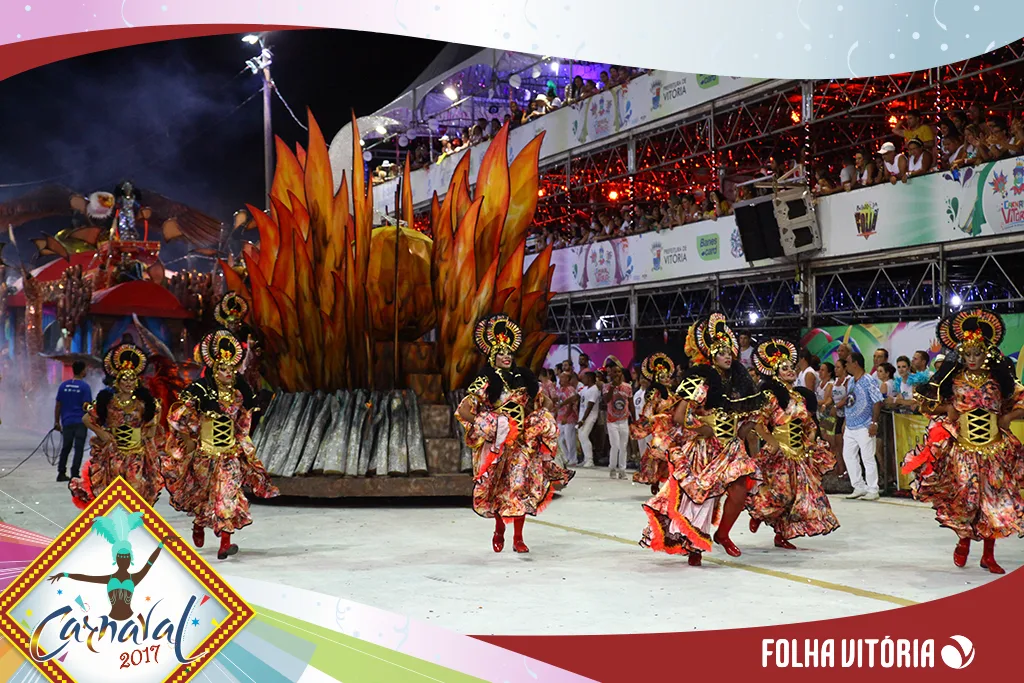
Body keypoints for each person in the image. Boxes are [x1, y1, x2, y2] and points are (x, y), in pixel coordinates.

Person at [902, 309, 1024, 573]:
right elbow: (926, 405)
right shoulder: (953, 380)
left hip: (994, 449)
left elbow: (1020, 403)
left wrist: (1009, 416)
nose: (971, 359)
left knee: (993, 502)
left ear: (987, 353)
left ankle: (988, 555)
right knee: (967, 501)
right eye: (967, 353)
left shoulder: (999, 381)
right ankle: (963, 541)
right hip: (963, 450)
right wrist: (946, 410)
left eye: (977, 353)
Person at [639, 314, 764, 565]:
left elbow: (742, 420)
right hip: (706, 449)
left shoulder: (739, 383)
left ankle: (723, 534)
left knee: (739, 492)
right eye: (721, 353)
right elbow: (679, 415)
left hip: (730, 447)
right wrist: (700, 429)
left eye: (729, 352)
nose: (728, 357)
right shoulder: (701, 381)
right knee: (699, 499)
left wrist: (749, 428)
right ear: (710, 357)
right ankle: (693, 546)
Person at [163, 330, 279, 560]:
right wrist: (187, 436)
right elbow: (178, 418)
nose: (227, 373)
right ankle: (199, 524)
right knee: (204, 496)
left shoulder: (239, 394)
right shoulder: (201, 391)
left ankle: (225, 542)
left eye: (231, 369)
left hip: (228, 455)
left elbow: (243, 420)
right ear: (214, 370)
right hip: (205, 455)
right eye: (222, 369)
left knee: (227, 495)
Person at [455, 315, 565, 554]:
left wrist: (542, 411)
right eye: (501, 353)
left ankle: (518, 538)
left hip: (523, 443)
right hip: (500, 444)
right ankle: (499, 530)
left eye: (509, 353)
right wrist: (489, 424)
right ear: (492, 357)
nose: (506, 356)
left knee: (519, 487)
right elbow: (464, 410)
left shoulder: (524, 378)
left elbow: (543, 402)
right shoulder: (485, 381)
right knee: (498, 488)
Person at [747, 339, 840, 549]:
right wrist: (773, 443)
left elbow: (809, 423)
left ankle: (782, 535)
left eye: (791, 367)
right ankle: (759, 513)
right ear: (775, 373)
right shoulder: (771, 397)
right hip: (779, 455)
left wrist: (810, 440)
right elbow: (759, 424)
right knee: (782, 494)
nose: (790, 370)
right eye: (784, 368)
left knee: (798, 498)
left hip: (799, 455)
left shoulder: (799, 396)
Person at [69, 344, 163, 508]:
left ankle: (132, 528)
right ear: (117, 381)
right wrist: (102, 433)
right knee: (113, 494)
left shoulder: (143, 403)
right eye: (124, 378)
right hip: (113, 453)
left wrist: (148, 433)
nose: (128, 382)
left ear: (137, 381)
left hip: (136, 454)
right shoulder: (107, 401)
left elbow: (154, 418)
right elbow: (86, 418)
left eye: (132, 378)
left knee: (135, 492)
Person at [47, 508, 166, 621]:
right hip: (111, 617)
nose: (124, 560)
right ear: (116, 559)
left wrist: (161, 544)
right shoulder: (114, 579)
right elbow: (86, 578)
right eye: (121, 558)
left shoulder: (134, 578)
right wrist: (65, 574)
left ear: (131, 560)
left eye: (126, 558)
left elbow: (150, 562)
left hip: (129, 617)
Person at [632, 353, 678, 494]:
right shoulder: (654, 394)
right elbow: (649, 413)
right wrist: (660, 417)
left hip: (673, 430)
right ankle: (655, 480)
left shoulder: (674, 394)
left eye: (667, 376)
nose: (667, 379)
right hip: (660, 430)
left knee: (673, 458)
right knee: (658, 457)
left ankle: (671, 482)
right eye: (663, 377)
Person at [841, 352, 884, 500]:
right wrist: (846, 422)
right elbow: (850, 401)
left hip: (865, 425)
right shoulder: (851, 381)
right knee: (848, 456)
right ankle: (859, 486)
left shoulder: (869, 380)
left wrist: (874, 422)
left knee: (867, 457)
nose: (845, 365)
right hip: (851, 425)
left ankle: (873, 489)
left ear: (856, 364)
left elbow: (877, 401)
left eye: (847, 362)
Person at [55, 360, 93, 482]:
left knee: (66, 447)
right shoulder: (85, 387)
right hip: (81, 422)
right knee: (79, 447)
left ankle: (61, 473)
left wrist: (56, 421)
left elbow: (58, 405)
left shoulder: (63, 386)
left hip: (66, 421)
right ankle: (74, 474)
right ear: (82, 371)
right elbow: (87, 406)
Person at [603, 363, 633, 479]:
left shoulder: (628, 387)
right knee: (615, 445)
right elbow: (606, 400)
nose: (616, 374)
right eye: (614, 372)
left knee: (623, 446)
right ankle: (612, 468)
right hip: (612, 420)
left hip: (624, 420)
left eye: (619, 372)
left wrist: (634, 418)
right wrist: (612, 387)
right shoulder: (606, 386)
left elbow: (630, 403)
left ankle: (622, 470)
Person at [554, 370, 580, 466]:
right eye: (560, 377)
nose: (560, 379)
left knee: (570, 440)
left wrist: (566, 416)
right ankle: (566, 458)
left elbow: (571, 404)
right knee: (560, 439)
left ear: (568, 379)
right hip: (560, 417)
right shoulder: (560, 389)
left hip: (569, 418)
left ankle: (573, 459)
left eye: (562, 377)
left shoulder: (570, 389)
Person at [576, 371, 600, 467]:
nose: (583, 380)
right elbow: (576, 397)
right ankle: (586, 459)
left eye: (584, 378)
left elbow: (590, 406)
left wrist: (583, 420)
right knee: (581, 436)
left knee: (584, 435)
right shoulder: (585, 388)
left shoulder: (594, 390)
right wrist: (562, 404)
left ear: (589, 379)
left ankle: (590, 460)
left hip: (590, 416)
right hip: (582, 415)